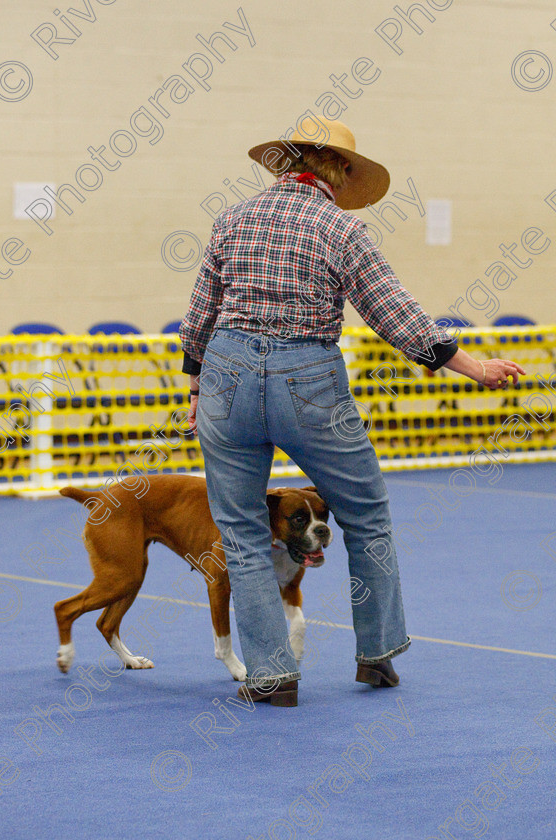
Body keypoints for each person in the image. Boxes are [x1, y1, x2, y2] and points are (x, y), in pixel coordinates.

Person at [178, 115, 525, 707]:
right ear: (336, 168)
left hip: (225, 378)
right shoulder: (342, 229)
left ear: (287, 164)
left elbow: (200, 316)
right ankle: (377, 656)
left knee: (239, 534)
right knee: (366, 516)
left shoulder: (230, 220)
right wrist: (471, 365)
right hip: (308, 377)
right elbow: (394, 314)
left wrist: (195, 388)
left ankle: (271, 678)